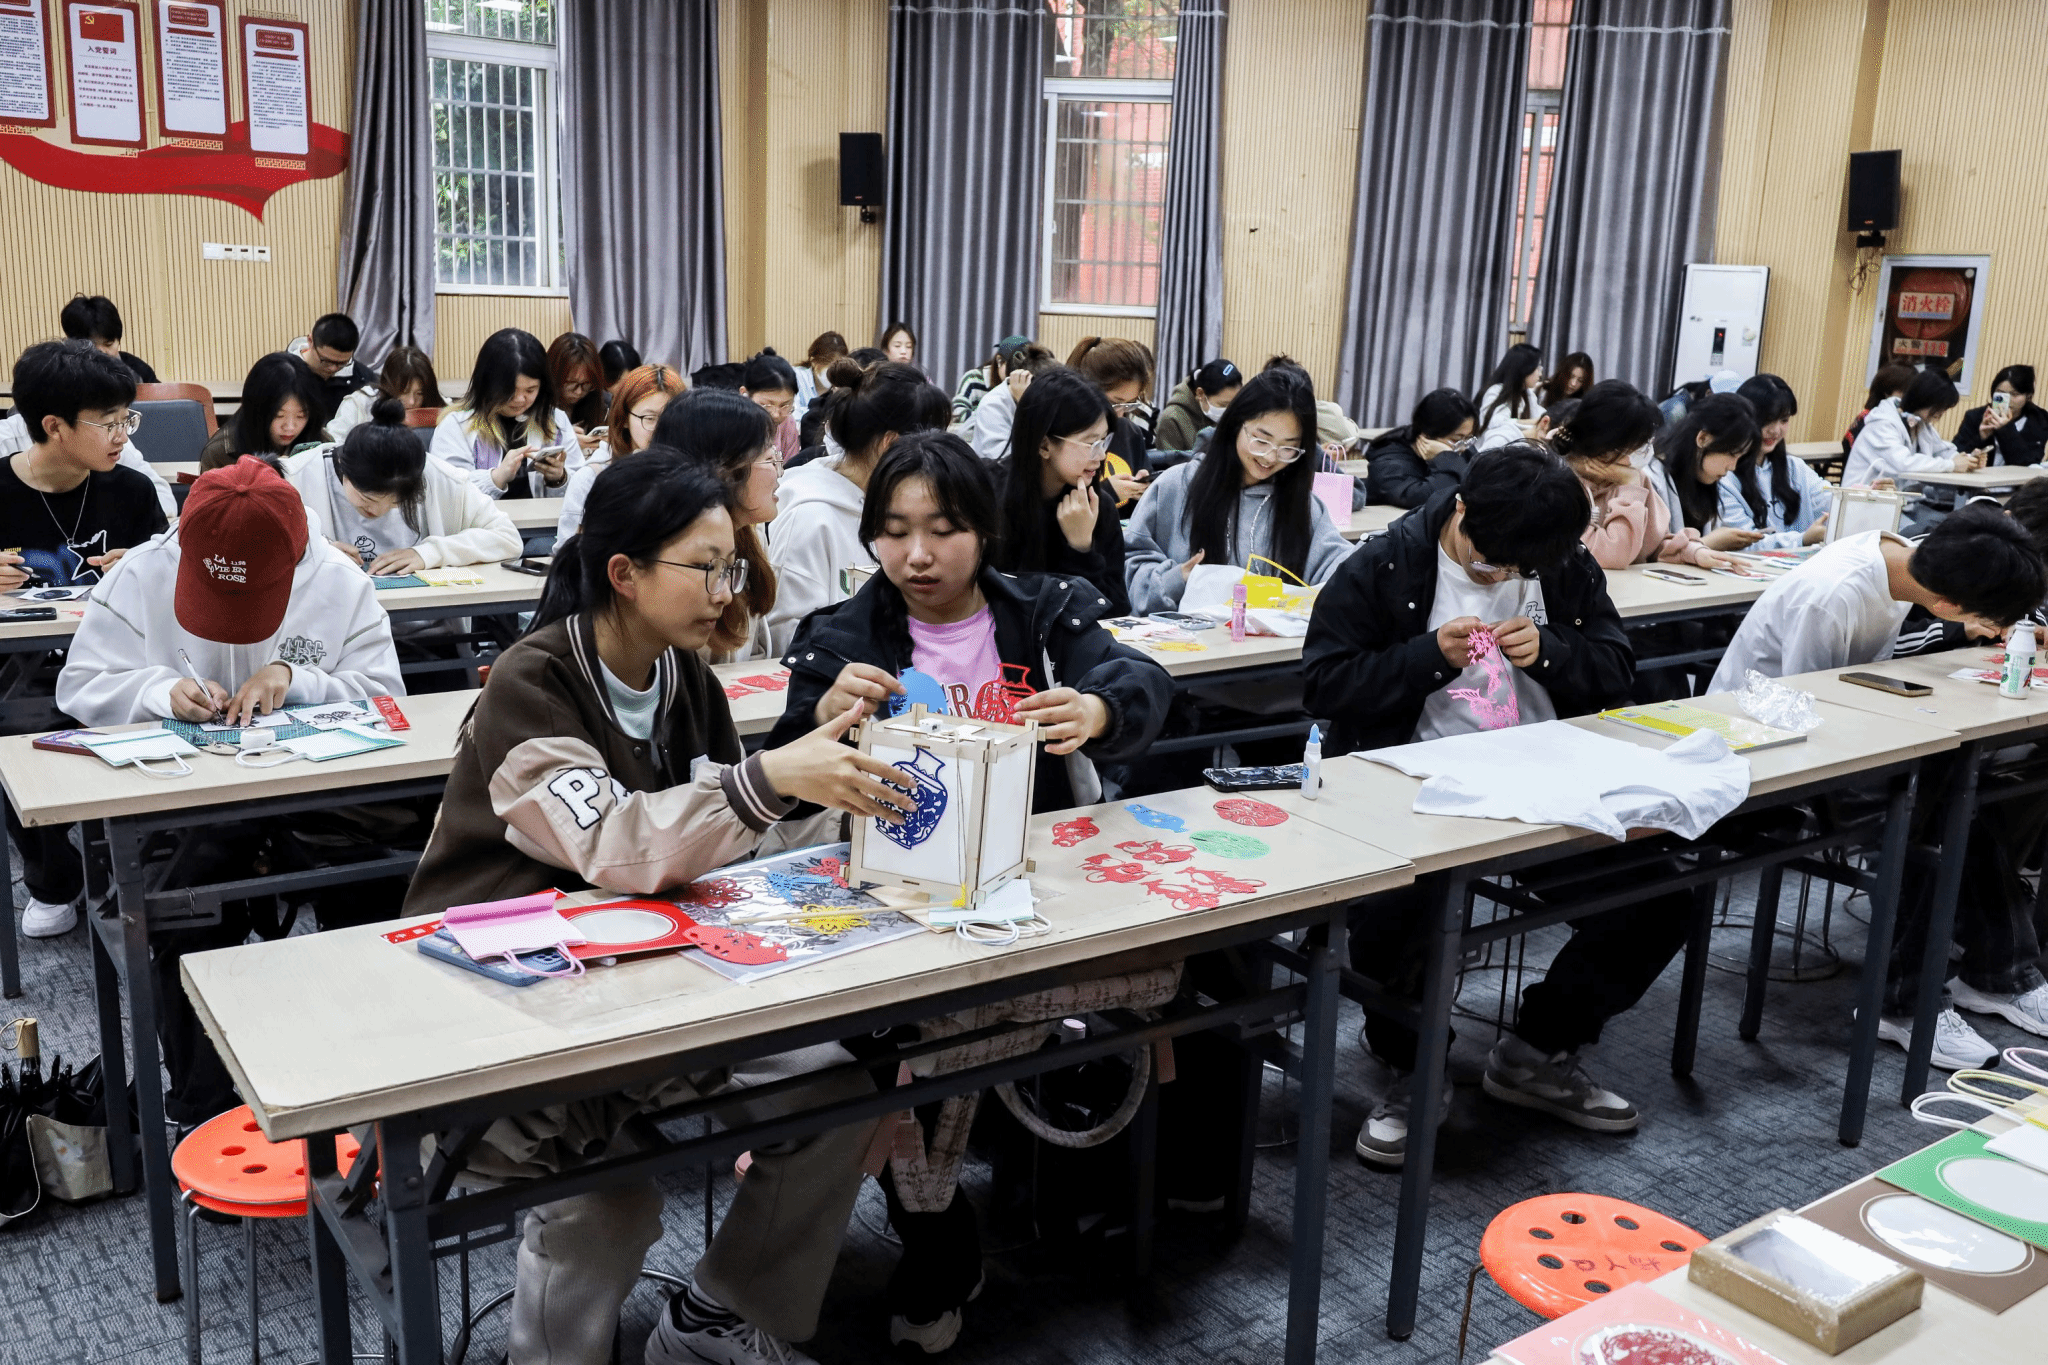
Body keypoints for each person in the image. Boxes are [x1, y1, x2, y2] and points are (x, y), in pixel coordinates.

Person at [402, 450, 914, 1365]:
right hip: (513, 1014)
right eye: (706, 566)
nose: (726, 591)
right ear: (625, 573)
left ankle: (719, 1317)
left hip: (654, 989)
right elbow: (612, 842)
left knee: (835, 1098)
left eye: (732, 566)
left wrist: (829, 773)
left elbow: (729, 839)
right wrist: (769, 779)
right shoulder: (532, 683)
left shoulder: (687, 681)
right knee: (612, 1202)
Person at [1303, 443, 1679, 1164]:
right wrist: (1427, 657)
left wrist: (1554, 651)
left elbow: (1616, 665)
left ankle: (1537, 1052)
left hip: (1546, 781)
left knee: (1657, 896)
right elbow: (1324, 684)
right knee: (1398, 918)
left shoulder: (1559, 561)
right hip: (1415, 785)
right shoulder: (1384, 566)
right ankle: (1414, 1066)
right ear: (1462, 510)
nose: (1502, 577)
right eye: (1490, 564)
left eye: (1517, 572)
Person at [59, 458, 403, 1121]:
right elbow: (81, 685)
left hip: (311, 792)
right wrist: (159, 691)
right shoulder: (142, 572)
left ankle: (364, 1082)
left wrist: (297, 680)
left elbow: (388, 698)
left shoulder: (337, 579)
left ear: (295, 557)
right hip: (185, 798)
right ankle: (205, 1107)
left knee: (377, 889)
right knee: (186, 908)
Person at [1706, 505, 2048, 1068]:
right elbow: (1806, 715)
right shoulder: (1832, 596)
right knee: (1926, 819)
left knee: (1961, 799)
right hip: (1769, 753)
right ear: (1949, 606)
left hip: (1842, 730)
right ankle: (1906, 1002)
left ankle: (1995, 973)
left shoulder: (1905, 559)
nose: (1994, 633)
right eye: (1991, 623)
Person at [1, 342, 171, 939]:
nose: (122, 435)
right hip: (22, 669)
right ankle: (54, 880)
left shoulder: (131, 490)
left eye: (128, 419)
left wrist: (146, 565)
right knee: (15, 732)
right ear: (54, 426)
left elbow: (175, 574)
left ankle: (154, 871)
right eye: (108, 423)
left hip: (121, 664)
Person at [1124, 365, 1354, 614]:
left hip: (1272, 640)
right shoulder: (1176, 486)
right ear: (1236, 424)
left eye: (1288, 448)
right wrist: (1178, 579)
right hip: (1183, 636)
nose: (1270, 457)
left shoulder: (1305, 506)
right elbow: (1131, 567)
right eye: (1261, 440)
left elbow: (1339, 566)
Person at [766, 359, 949, 654]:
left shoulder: (892, 502)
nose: (939, 459)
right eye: (933, 444)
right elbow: (786, 637)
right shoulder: (812, 515)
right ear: (890, 444)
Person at [283, 395, 519, 573]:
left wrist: (430, 553)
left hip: (426, 617)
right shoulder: (297, 476)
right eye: (367, 499)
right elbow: (263, 545)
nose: (380, 511)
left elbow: (507, 537)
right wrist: (314, 551)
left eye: (397, 503)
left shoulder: (435, 476)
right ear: (343, 470)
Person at [653, 387, 783, 662]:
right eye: (770, 459)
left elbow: (755, 657)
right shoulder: (677, 558)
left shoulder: (748, 537)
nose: (779, 473)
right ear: (726, 471)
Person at [991, 366, 1130, 616]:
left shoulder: (1098, 506)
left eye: (1104, 441)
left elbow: (1115, 613)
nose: (1101, 455)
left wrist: (1082, 548)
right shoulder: (988, 497)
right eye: (1091, 443)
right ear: (1044, 445)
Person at [1557, 379, 1733, 570]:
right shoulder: (1560, 481)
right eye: (1637, 446)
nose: (1645, 452)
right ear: (1605, 445)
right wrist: (1630, 487)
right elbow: (1613, 555)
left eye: (1647, 443)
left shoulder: (1634, 476)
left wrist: (1694, 552)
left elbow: (1653, 544)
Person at [431, 328, 578, 501]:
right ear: (488, 385)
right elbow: (447, 491)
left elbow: (582, 485)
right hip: (483, 519)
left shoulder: (555, 420)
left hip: (541, 518)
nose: (520, 399)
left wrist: (560, 478)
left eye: (530, 390)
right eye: (510, 391)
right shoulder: (456, 425)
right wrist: (496, 478)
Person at [556, 363, 686, 540]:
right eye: (650, 418)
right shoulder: (591, 479)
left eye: (669, 418)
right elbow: (567, 551)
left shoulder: (691, 475)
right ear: (624, 418)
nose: (659, 428)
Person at [1644, 391, 1762, 556]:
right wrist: (1708, 543)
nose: (1732, 467)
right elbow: (1644, 556)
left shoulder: (1709, 481)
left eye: (1739, 457)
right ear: (1703, 438)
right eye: (1731, 454)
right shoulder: (1650, 478)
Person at [1722, 374, 1831, 550]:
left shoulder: (1794, 467)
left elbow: (1828, 499)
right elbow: (1741, 543)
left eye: (1784, 420)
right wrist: (1802, 540)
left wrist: (1862, 495)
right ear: (1743, 418)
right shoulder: (1724, 474)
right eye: (1767, 421)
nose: (1775, 430)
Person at [1844, 367, 1978, 488]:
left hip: (1896, 498)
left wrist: (1967, 459)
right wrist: (1952, 465)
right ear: (1924, 398)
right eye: (1939, 407)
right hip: (1863, 499)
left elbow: (1940, 450)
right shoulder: (1882, 424)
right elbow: (1903, 464)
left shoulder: (1920, 423)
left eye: (1945, 408)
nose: (1941, 413)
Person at [198, 352, 328, 470]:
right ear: (256, 410)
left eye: (301, 416)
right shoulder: (221, 453)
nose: (290, 427)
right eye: (278, 415)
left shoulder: (322, 445)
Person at [1067, 336, 1159, 495]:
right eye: (1115, 403)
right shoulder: (1069, 434)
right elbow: (1058, 501)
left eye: (1129, 404)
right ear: (1087, 389)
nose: (1120, 414)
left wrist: (1142, 487)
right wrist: (1109, 492)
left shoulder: (1130, 432)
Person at [1363, 388, 1476, 509]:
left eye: (1468, 438)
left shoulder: (1460, 448)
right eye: (1456, 439)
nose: (1463, 447)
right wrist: (1447, 459)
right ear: (1428, 434)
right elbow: (1429, 500)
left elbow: (1483, 483)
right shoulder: (1389, 461)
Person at [327, 345, 441, 443]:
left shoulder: (439, 411)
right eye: (404, 392)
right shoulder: (360, 403)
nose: (412, 401)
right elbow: (332, 443)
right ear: (389, 386)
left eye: (419, 393)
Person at [966, 342, 1057, 463]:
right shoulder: (993, 405)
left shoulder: (1050, 399)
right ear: (1024, 381)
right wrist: (1026, 407)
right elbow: (1004, 461)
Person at [286, 312, 368, 426]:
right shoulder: (281, 373)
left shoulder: (363, 379)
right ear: (310, 341)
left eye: (342, 363)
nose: (333, 368)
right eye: (326, 360)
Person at [1955, 364, 2044, 467]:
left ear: (2028, 396)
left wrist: (2006, 430)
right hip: (1980, 476)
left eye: (2014, 394)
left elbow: (2028, 463)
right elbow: (1956, 455)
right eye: (2000, 393)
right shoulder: (1975, 416)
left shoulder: (2039, 419)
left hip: (2016, 477)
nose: (2007, 400)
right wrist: (1981, 437)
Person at [59, 293, 158, 383]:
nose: (102, 352)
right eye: (91, 346)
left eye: (108, 344)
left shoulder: (138, 371)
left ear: (118, 340)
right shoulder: (62, 375)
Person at [1153, 358, 1243, 454]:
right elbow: (1170, 462)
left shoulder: (1237, 417)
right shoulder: (1172, 420)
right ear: (1200, 394)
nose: (1229, 411)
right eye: (1223, 405)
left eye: (1234, 405)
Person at [949, 333, 1034, 429]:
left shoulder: (1028, 381)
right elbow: (957, 413)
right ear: (999, 361)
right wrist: (993, 416)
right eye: (1014, 367)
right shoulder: (973, 379)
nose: (1018, 374)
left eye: (1025, 368)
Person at [1474, 343, 1545, 450]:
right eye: (1537, 368)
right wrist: (1531, 422)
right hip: (1491, 451)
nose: (1540, 374)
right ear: (1525, 369)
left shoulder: (1529, 395)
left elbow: (1539, 416)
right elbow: (1496, 423)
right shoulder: (1496, 391)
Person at [546, 331, 609, 452]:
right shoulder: (536, 404)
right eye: (571, 383)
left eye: (586, 384)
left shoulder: (602, 403)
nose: (579, 392)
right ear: (554, 376)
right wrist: (564, 442)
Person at [738, 348, 802, 464]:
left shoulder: (787, 422)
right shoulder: (730, 425)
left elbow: (791, 467)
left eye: (785, 405)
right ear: (745, 394)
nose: (776, 415)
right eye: (767, 405)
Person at [1842, 362, 1917, 454]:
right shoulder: (1870, 420)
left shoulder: (1905, 419)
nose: (1909, 398)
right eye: (1905, 392)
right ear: (1887, 391)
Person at [793, 330, 849, 420]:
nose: (833, 375)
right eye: (829, 368)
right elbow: (793, 415)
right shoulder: (796, 376)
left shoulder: (845, 385)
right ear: (814, 361)